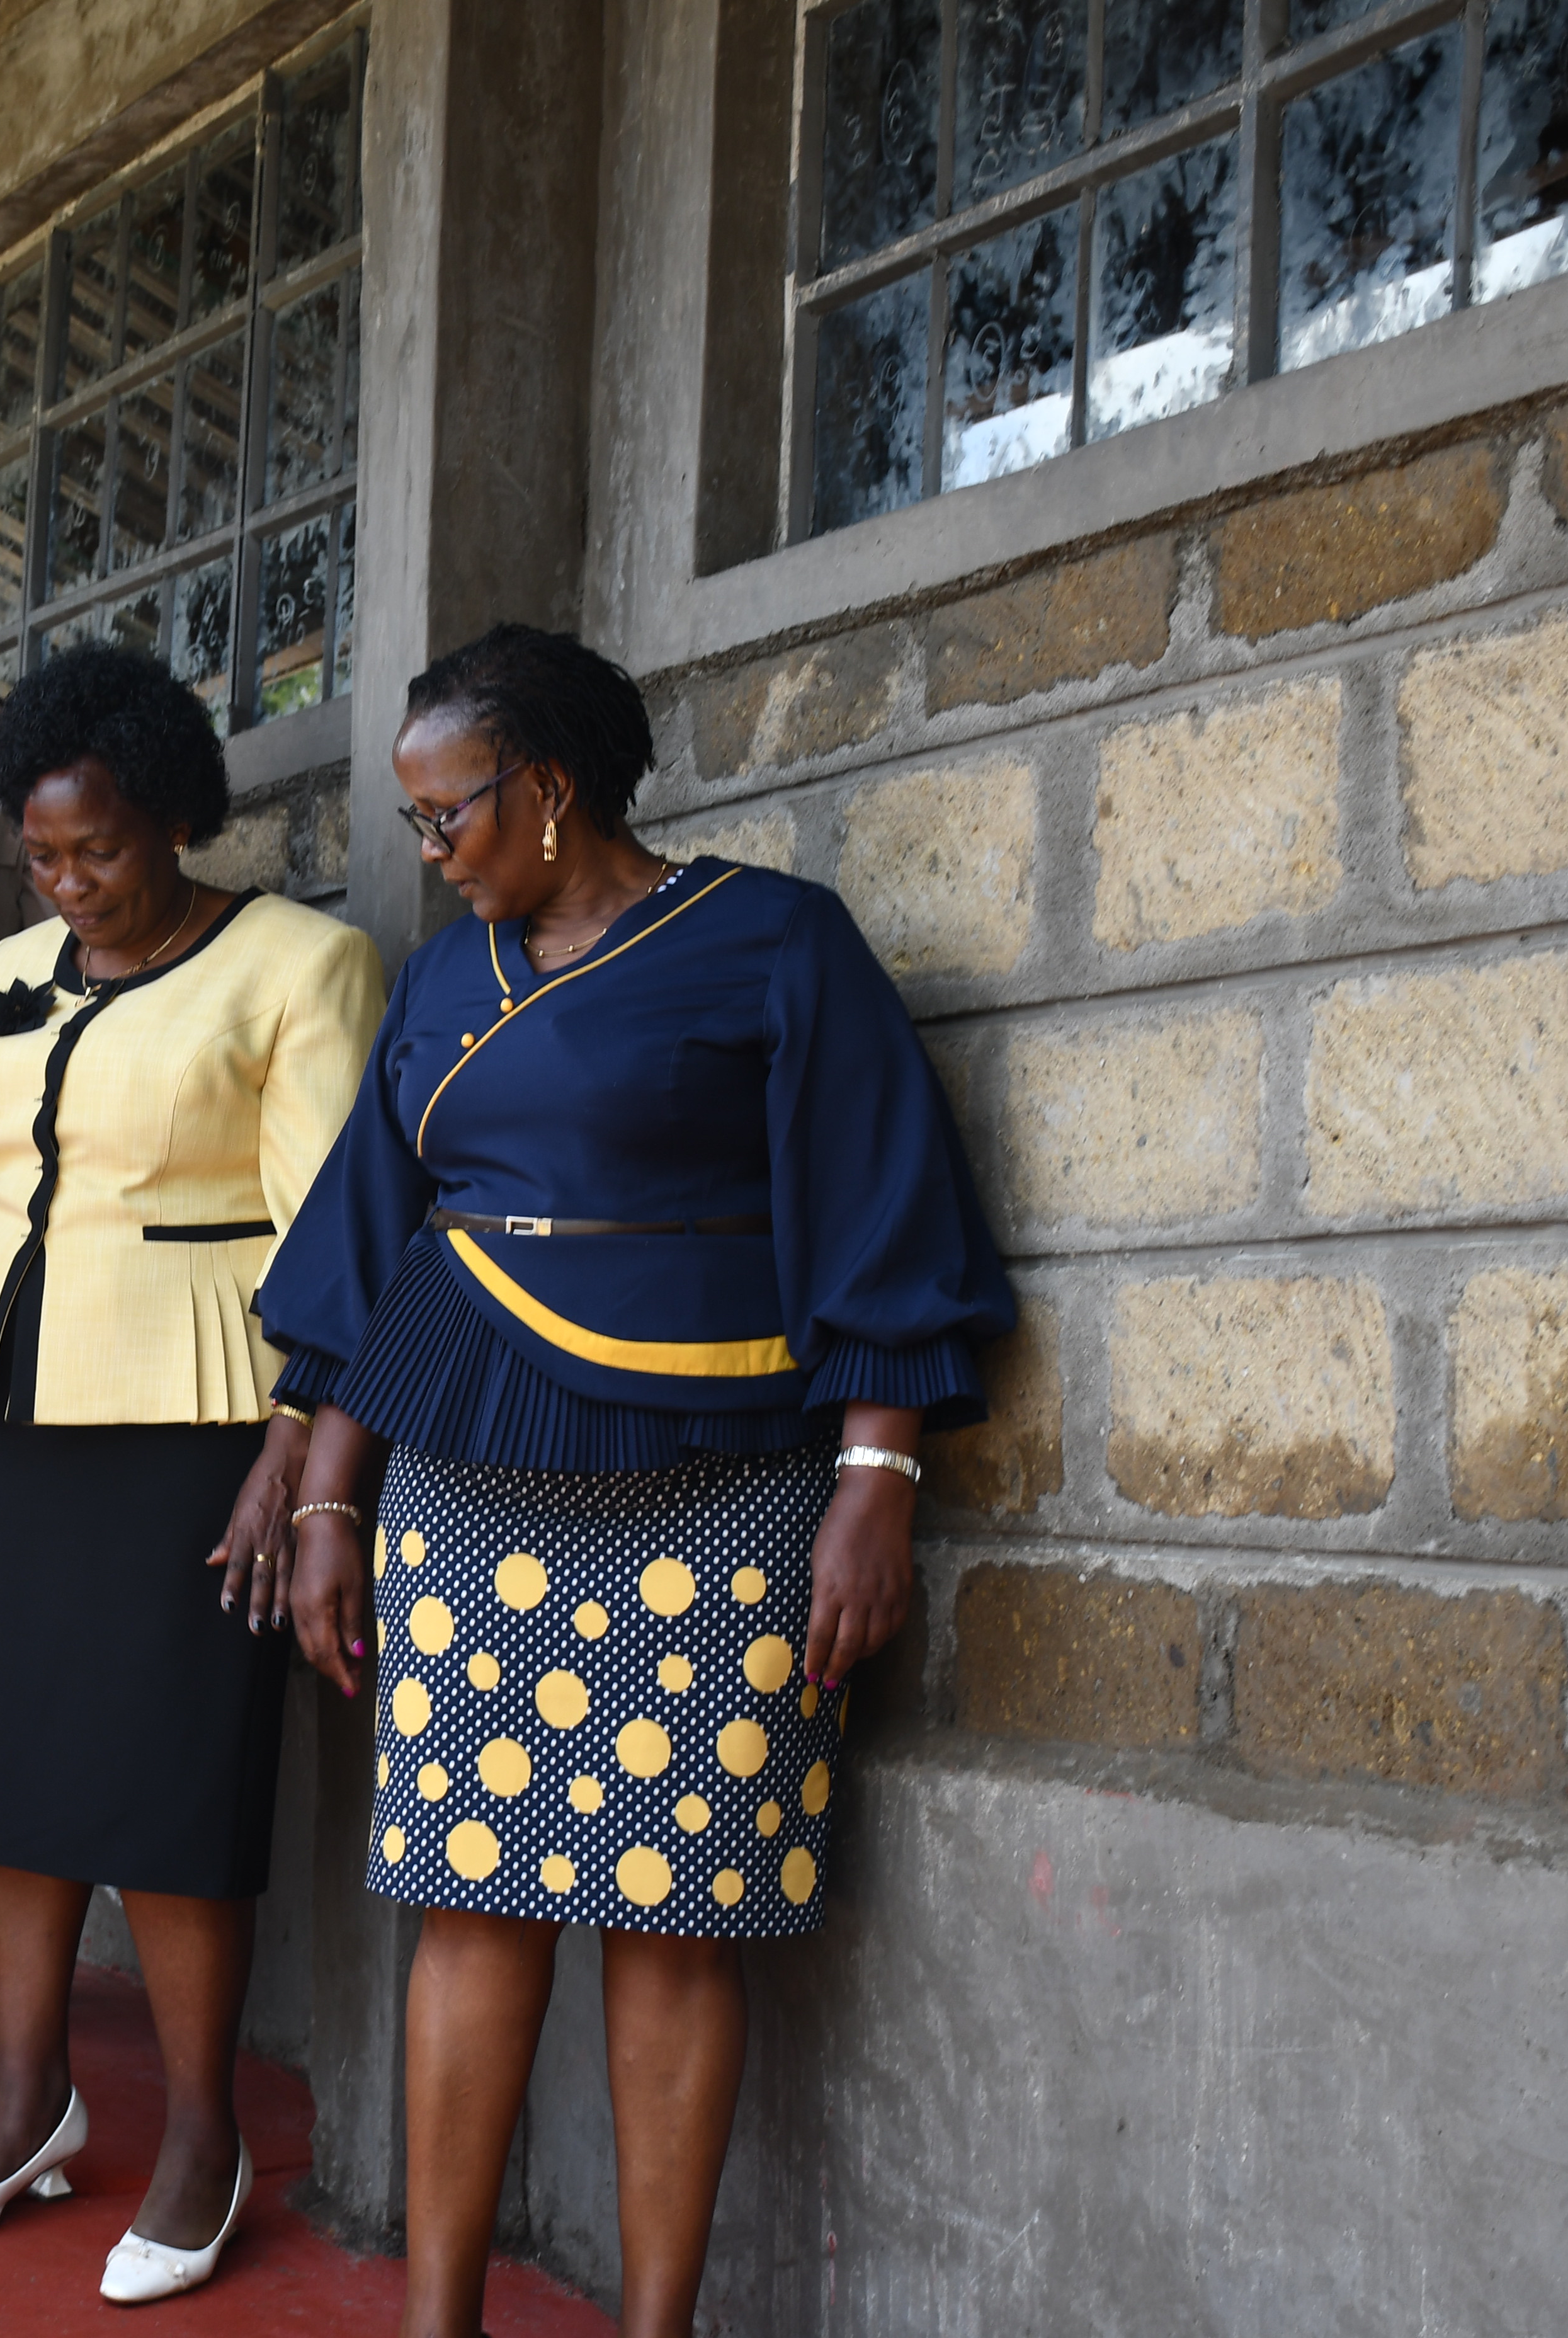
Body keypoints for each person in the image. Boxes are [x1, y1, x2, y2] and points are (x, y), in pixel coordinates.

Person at [263, 625, 1014, 2338]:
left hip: (722, 1479)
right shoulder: (448, 977)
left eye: (447, 816)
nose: (430, 855)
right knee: (468, 1897)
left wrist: (875, 1477)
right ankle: (439, 2320)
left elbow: (884, 1211)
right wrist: (326, 1499)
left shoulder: (772, 943)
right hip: (469, 1483)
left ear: (548, 788)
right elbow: (374, 1253)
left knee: (678, 1917)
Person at [0, 646, 378, 2300]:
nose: (68, 884)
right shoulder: (13, 967)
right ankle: (26, 2100)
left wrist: (295, 1458)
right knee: (0, 1772)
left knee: (161, 1794)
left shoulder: (304, 965)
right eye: (44, 856)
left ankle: (204, 2135)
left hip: (191, 1421)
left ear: (172, 821)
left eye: (97, 851)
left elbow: (335, 1235)